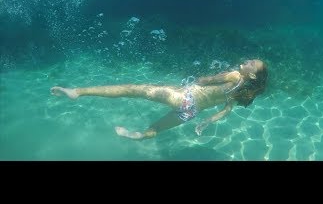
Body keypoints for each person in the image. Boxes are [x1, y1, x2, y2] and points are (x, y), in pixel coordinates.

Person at [50, 59, 268, 140]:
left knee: (131, 89)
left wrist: (203, 76)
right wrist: (205, 122)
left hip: (184, 97)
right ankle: (137, 136)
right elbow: (225, 111)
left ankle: (78, 91)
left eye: (252, 64)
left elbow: (203, 80)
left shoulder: (234, 75)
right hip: (191, 112)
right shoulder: (241, 91)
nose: (247, 61)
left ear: (252, 75)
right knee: (156, 127)